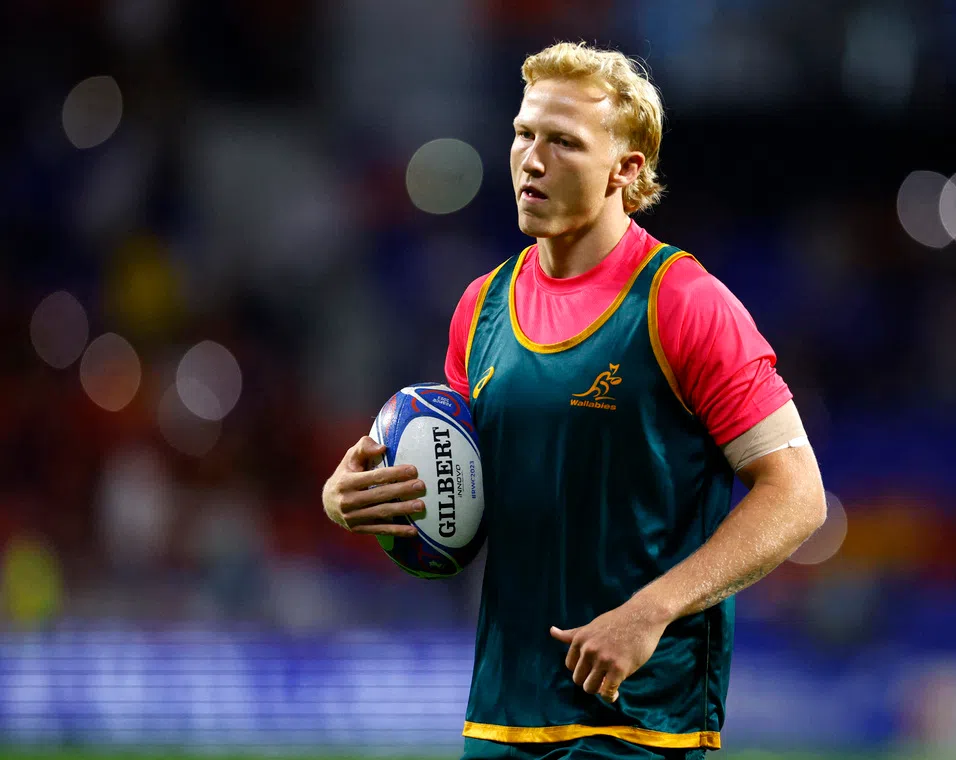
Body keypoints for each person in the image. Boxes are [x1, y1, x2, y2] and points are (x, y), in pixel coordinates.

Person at [323, 42, 827, 760]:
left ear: (626, 170)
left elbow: (798, 495)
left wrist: (651, 611)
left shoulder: (684, 303)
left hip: (642, 723)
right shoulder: (482, 308)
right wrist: (360, 501)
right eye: (524, 134)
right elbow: (462, 515)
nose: (531, 159)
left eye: (563, 142)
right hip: (502, 717)